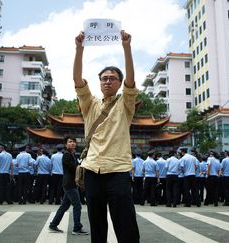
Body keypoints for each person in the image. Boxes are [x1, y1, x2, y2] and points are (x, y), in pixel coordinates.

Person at [74, 30, 140, 243]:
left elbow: (131, 80)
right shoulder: (90, 104)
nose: (108, 81)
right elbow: (77, 79)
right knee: (97, 223)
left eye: (113, 78)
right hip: (92, 170)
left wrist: (126, 48)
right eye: (104, 78)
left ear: (119, 83)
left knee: (125, 223)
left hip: (118, 171)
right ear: (99, 82)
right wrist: (79, 49)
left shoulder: (125, 104)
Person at [49, 136, 88, 235]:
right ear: (66, 144)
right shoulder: (67, 155)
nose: (73, 143)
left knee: (64, 206)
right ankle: (77, 228)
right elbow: (74, 168)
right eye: (70, 142)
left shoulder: (71, 154)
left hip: (70, 184)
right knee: (77, 206)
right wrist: (83, 165)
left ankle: (53, 224)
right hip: (69, 184)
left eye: (74, 141)